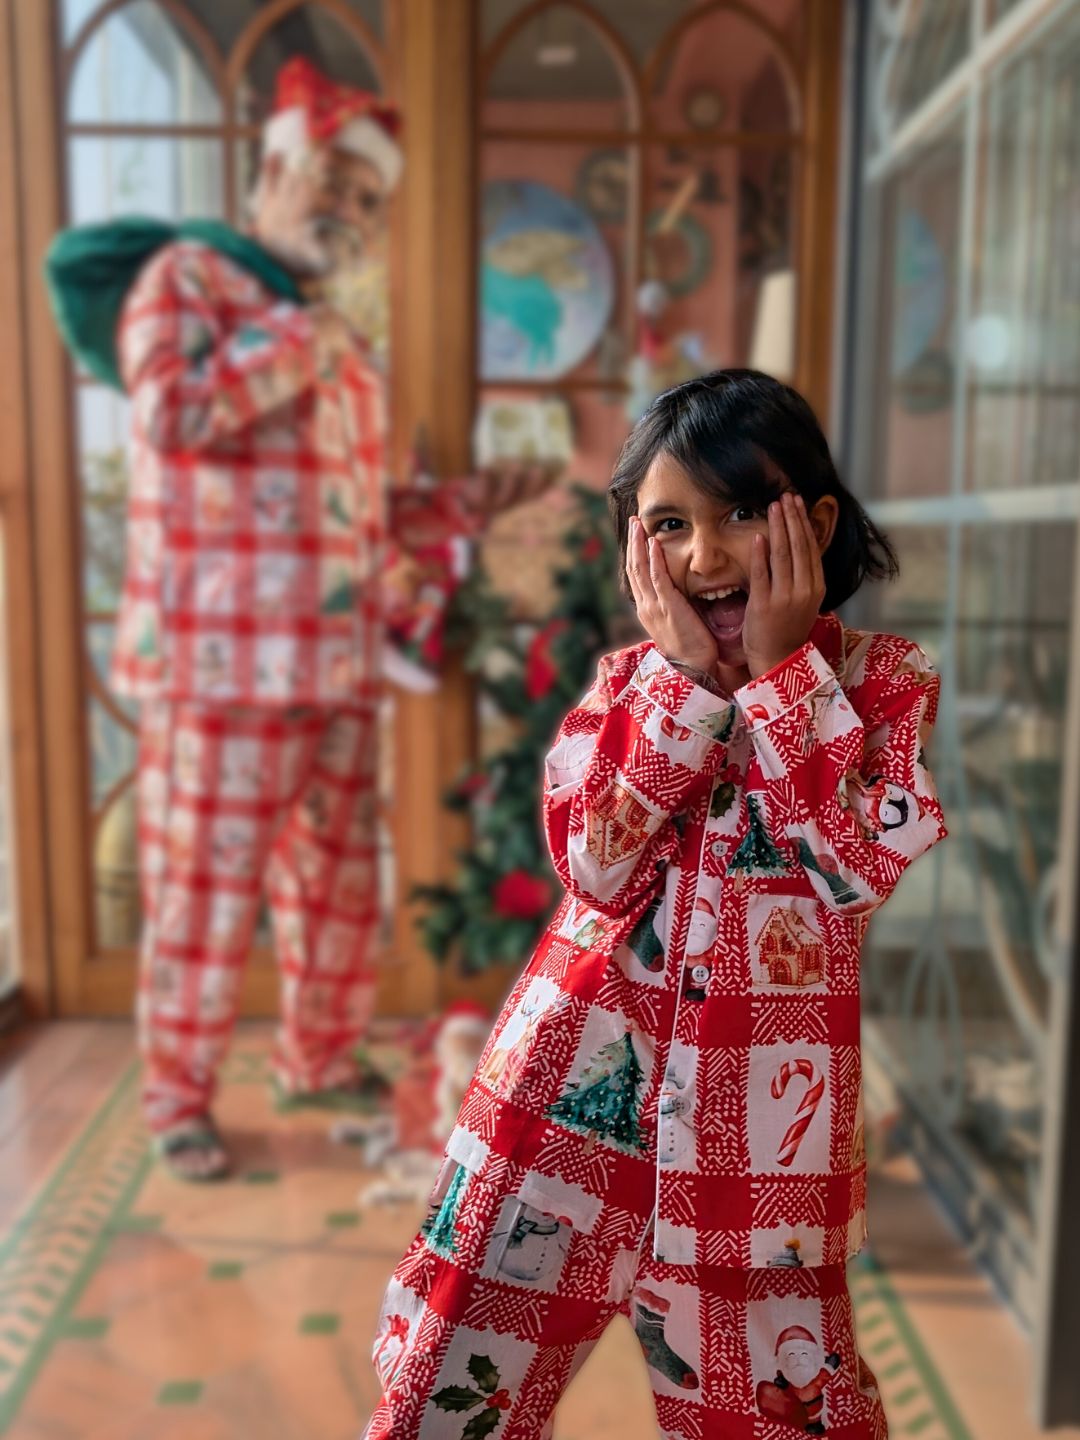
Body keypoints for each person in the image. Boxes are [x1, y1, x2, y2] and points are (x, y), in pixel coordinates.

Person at [363, 370, 947, 1439]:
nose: (706, 557)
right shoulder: (627, 689)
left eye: (738, 512)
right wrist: (682, 679)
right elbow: (593, 865)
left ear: (813, 520)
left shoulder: (886, 684)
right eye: (669, 523)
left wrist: (776, 675)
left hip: (760, 1159)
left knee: (781, 1420)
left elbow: (857, 869)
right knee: (441, 1396)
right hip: (556, 1116)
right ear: (636, 545)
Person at [45, 58, 549, 1183]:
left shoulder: (337, 344)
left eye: (368, 198)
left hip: (336, 660)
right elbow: (170, 414)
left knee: (337, 888)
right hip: (220, 665)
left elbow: (363, 518)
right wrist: (298, 342)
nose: (350, 211)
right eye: (331, 182)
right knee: (203, 898)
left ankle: (317, 1057)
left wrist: (471, 504)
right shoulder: (185, 281)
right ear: (267, 171)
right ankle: (178, 1098)